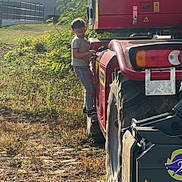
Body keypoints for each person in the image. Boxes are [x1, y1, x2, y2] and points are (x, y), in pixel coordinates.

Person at [71, 18, 96, 116]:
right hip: (79, 67)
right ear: (73, 31)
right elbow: (76, 55)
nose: (80, 31)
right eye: (78, 30)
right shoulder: (76, 41)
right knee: (89, 88)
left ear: (85, 28)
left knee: (90, 86)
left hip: (84, 66)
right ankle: (89, 110)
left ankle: (87, 107)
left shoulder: (84, 39)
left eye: (82, 29)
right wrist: (88, 53)